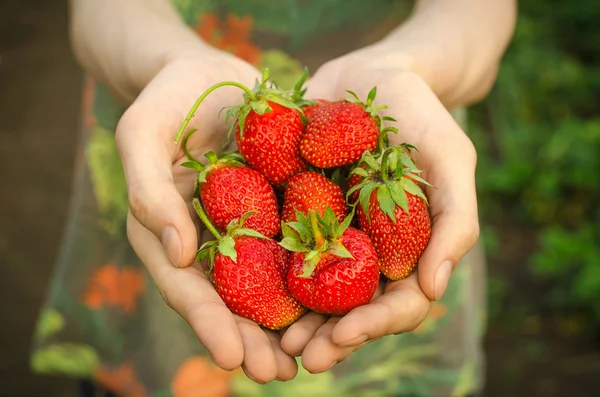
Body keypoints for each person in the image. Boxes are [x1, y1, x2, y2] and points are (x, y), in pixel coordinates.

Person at [30, 0, 516, 396]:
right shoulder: (270, 188)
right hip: (170, 149)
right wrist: (170, 64)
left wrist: (403, 67)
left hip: (396, 145)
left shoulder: (357, 180)